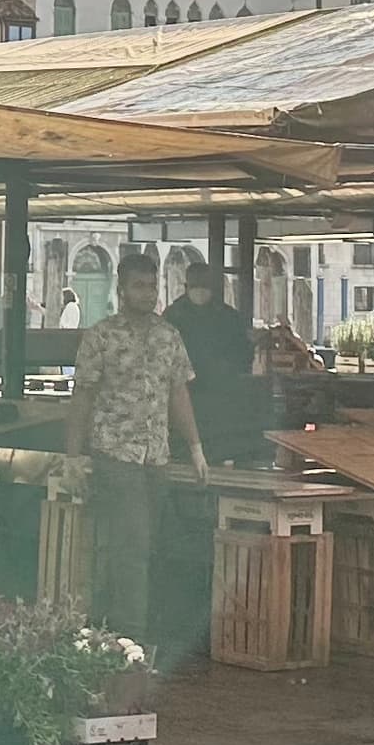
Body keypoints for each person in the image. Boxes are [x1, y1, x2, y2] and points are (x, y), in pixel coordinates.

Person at [68, 250, 201, 645]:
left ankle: (110, 624)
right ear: (121, 289)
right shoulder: (101, 336)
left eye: (152, 285)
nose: (148, 294)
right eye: (140, 286)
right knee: (134, 544)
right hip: (114, 452)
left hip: (156, 456)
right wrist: (73, 456)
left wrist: (195, 448)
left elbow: (179, 392)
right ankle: (133, 639)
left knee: (149, 544)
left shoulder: (168, 336)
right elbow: (82, 397)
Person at [164, 248, 263, 467]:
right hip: (185, 392)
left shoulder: (227, 316)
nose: (200, 292)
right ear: (186, 287)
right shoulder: (173, 315)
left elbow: (243, 352)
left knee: (214, 448)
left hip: (219, 395)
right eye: (195, 286)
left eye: (204, 286)